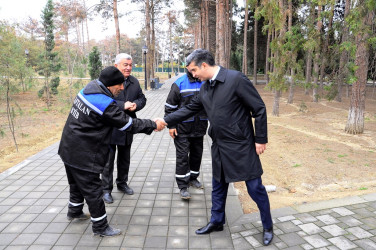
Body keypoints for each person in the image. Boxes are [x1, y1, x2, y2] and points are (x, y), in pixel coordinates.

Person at [163, 49, 273, 246]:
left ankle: (267, 225)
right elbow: (189, 109)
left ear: (204, 65)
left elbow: (259, 108)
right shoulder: (205, 88)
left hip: (241, 144)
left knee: (255, 188)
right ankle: (217, 221)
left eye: (194, 70)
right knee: (218, 186)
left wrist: (261, 139)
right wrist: (164, 121)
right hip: (219, 145)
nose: (192, 74)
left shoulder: (235, 79)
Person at [58, 66, 165, 237]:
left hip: (68, 148)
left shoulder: (88, 90)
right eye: (119, 85)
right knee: (93, 189)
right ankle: (100, 227)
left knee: (76, 182)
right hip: (83, 153)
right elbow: (127, 124)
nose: (122, 88)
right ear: (109, 85)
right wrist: (153, 124)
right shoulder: (103, 103)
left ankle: (75, 210)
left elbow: (110, 107)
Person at [102, 53, 146, 204]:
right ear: (116, 66)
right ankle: (106, 190)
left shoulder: (133, 82)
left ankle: (122, 183)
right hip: (110, 126)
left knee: (124, 158)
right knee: (108, 160)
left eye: (130, 65)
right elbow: (102, 101)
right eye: (125, 65)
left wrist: (136, 105)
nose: (128, 68)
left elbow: (142, 98)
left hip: (127, 125)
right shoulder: (107, 81)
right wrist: (122, 105)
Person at [164, 71, 208, 199]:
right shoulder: (179, 83)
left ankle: (193, 178)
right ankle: (183, 186)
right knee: (182, 157)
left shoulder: (205, 81)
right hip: (181, 129)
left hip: (200, 127)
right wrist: (171, 125)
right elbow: (170, 106)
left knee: (197, 154)